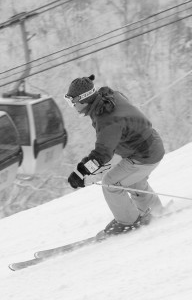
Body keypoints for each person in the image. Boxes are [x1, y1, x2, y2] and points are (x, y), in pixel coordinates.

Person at [65, 74, 165, 235]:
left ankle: (129, 222)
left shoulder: (107, 119)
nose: (72, 106)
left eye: (72, 102)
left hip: (144, 155)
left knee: (111, 184)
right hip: (151, 145)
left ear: (83, 99)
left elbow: (101, 155)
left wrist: (81, 172)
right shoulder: (111, 97)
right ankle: (156, 211)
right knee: (134, 181)